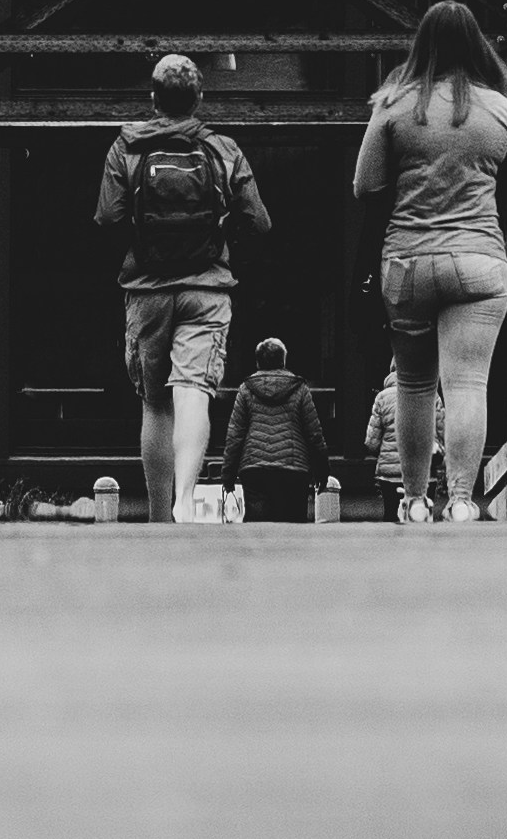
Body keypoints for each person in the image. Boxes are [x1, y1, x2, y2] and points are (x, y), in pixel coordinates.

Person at [350, 0, 507, 522]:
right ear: (478, 45)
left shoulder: (394, 104)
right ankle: (459, 499)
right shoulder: (502, 110)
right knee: (468, 383)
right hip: (480, 261)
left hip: (408, 262)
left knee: (413, 383)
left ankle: (412, 500)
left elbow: (364, 185)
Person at [94, 51, 270, 521]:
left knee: (154, 403)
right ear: (200, 98)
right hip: (207, 288)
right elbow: (259, 221)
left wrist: (139, 248)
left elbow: (107, 216)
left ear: (153, 98)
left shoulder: (126, 148)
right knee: (193, 390)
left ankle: (157, 514)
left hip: (146, 289)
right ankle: (187, 501)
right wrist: (221, 242)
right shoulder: (223, 149)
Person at [218, 337, 331, 527]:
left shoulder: (246, 390)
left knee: (258, 531)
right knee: (293, 531)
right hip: (293, 470)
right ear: (283, 360)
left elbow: (235, 436)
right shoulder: (300, 389)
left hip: (255, 470)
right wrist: (322, 472)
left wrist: (227, 476)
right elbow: (314, 434)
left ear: (258, 362)